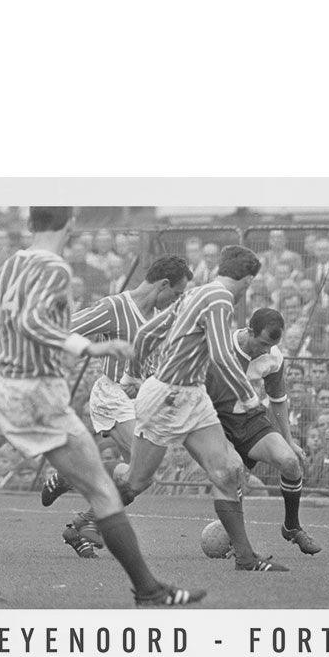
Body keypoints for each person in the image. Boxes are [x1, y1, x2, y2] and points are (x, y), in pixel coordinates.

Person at [0, 206, 205, 608]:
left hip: (0, 388)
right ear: (70, 224)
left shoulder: (12, 265)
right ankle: (149, 591)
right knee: (104, 491)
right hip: (36, 393)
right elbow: (34, 322)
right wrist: (89, 347)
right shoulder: (54, 267)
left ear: (31, 224)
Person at [121, 245, 290, 572]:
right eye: (250, 284)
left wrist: (132, 374)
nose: (248, 289)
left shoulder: (195, 294)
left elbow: (146, 333)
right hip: (168, 396)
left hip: (193, 396)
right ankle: (84, 510)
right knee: (136, 483)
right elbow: (222, 356)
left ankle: (245, 558)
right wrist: (249, 398)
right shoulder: (220, 299)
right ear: (246, 280)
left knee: (228, 470)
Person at [39, 255, 193, 557]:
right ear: (163, 285)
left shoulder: (160, 316)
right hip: (113, 396)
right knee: (140, 469)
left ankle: (79, 519)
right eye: (176, 293)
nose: (177, 300)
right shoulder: (115, 307)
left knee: (138, 480)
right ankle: (79, 496)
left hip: (143, 402)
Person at [203, 308, 321, 554]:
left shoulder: (273, 357)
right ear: (249, 332)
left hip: (249, 417)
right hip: (214, 420)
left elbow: (277, 399)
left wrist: (289, 440)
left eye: (272, 346)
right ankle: (238, 541)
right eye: (263, 344)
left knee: (290, 462)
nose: (267, 351)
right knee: (233, 470)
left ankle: (292, 526)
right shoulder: (219, 348)